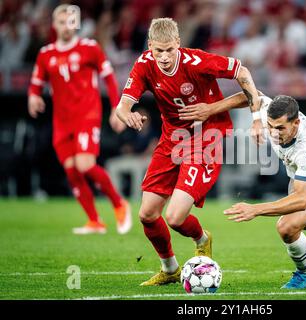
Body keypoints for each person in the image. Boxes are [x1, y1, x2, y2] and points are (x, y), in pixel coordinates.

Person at [115, 17, 263, 286]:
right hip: (172, 139)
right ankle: (170, 268)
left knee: (174, 217)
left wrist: (250, 118)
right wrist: (128, 114)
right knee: (147, 214)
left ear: (178, 44)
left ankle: (202, 239)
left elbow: (243, 74)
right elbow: (122, 105)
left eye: (169, 50)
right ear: (150, 47)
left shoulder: (197, 61)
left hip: (207, 138)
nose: (164, 57)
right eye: (158, 50)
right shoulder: (144, 64)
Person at [179, 93, 306, 289]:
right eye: (270, 126)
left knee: (287, 226)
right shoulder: (270, 110)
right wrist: (212, 109)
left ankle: (305, 274)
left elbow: (301, 200)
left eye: (280, 128)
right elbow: (251, 95)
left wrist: (255, 209)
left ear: (296, 123)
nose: (274, 133)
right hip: (299, 174)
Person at [28, 4, 132, 235]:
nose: (67, 26)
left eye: (71, 22)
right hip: (62, 121)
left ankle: (119, 203)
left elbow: (109, 77)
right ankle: (95, 221)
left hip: (87, 115)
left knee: (85, 165)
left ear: (77, 24)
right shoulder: (46, 54)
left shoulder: (90, 48)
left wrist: (117, 107)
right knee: (72, 170)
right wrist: (33, 98)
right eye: (62, 22)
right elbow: (36, 83)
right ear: (55, 25)